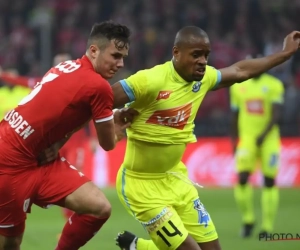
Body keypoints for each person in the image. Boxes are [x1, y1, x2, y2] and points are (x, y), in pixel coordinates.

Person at [110, 26, 300, 250]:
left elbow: (240, 71)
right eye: (196, 54)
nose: (203, 61)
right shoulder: (150, 81)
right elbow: (98, 100)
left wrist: (285, 54)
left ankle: (136, 246)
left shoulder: (203, 79)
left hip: (176, 180)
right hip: (141, 186)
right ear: (176, 52)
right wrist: (112, 117)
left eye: (206, 55)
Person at [0, 21, 133, 250]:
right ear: (94, 50)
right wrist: (118, 128)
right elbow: (107, 143)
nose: (120, 64)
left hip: (37, 156)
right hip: (10, 162)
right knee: (10, 243)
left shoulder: (64, 67)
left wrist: (60, 140)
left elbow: (69, 111)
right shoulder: (99, 87)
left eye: (123, 58)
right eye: (115, 55)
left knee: (98, 207)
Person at [0, 53, 94, 222]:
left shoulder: (82, 86)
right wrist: (3, 75)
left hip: (75, 142)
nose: (61, 66)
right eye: (58, 63)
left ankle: (70, 221)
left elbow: (94, 110)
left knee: (75, 181)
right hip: (52, 143)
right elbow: (24, 82)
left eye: (64, 62)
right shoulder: (48, 82)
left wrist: (94, 137)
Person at [230, 56, 284, 238]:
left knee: (269, 181)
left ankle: (267, 227)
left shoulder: (274, 84)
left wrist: (263, 135)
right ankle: (248, 220)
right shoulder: (238, 87)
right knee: (242, 178)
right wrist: (234, 141)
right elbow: (235, 116)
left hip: (269, 140)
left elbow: (277, 115)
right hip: (247, 140)